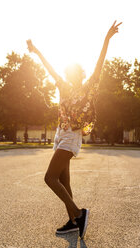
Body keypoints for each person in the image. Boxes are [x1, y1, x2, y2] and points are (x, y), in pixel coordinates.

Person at [26, 20, 122, 239]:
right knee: (64, 181)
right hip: (60, 134)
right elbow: (49, 67)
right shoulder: (63, 86)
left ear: (80, 74)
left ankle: (79, 213)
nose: (69, 75)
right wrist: (37, 51)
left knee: (50, 178)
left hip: (72, 135)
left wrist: (106, 39)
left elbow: (100, 64)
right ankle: (72, 222)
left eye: (73, 72)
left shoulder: (88, 87)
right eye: (68, 73)